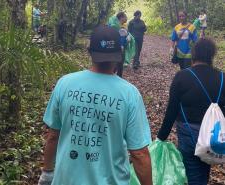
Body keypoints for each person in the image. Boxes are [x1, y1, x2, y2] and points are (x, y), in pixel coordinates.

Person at [38, 25, 153, 185]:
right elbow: (139, 153)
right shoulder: (129, 94)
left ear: (89, 51)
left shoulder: (65, 84)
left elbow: (53, 135)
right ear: (120, 53)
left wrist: (48, 171)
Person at [157, 38, 225, 185]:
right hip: (214, 135)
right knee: (205, 165)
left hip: (190, 134)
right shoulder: (222, 77)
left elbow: (172, 109)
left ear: (194, 54)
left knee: (192, 171)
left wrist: (161, 137)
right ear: (211, 56)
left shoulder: (182, 76)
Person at [108, 12, 128, 77]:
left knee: (117, 65)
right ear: (121, 17)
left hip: (116, 47)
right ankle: (115, 79)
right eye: (125, 16)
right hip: (118, 48)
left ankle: (112, 77)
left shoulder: (118, 25)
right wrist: (121, 45)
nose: (126, 18)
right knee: (118, 65)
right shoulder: (116, 26)